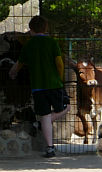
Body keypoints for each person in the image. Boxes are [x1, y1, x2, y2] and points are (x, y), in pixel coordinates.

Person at [9, 15, 68, 158]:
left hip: (37, 87)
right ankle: (42, 123)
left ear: (31, 30)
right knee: (67, 107)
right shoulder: (52, 43)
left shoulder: (28, 45)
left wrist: (12, 73)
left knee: (45, 115)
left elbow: (19, 64)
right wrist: (60, 78)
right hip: (54, 85)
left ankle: (49, 147)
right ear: (45, 28)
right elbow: (59, 63)